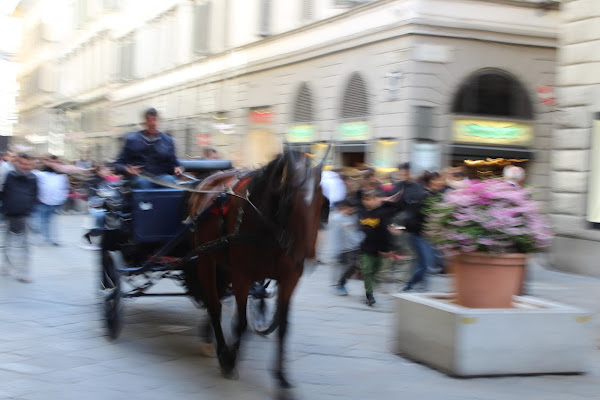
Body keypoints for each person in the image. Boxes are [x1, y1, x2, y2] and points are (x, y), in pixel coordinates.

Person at [114, 108, 184, 189]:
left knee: (170, 180)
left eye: (155, 120)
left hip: (162, 176)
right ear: (143, 123)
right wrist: (127, 169)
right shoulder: (132, 140)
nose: (153, 123)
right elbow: (118, 164)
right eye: (149, 120)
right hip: (140, 177)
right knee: (143, 183)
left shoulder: (168, 141)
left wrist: (177, 168)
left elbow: (174, 163)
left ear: (159, 122)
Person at [402, 171, 446, 292]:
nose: (440, 182)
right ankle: (410, 286)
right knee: (426, 265)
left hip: (430, 236)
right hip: (419, 235)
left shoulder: (437, 196)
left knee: (423, 264)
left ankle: (415, 287)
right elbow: (415, 215)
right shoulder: (422, 195)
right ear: (430, 181)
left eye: (440, 180)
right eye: (437, 180)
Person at [357, 190, 402, 306]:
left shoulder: (382, 212)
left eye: (371, 199)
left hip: (380, 249)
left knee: (376, 271)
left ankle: (370, 287)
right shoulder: (361, 212)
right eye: (365, 199)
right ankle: (369, 295)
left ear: (378, 199)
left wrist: (388, 248)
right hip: (365, 248)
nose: (367, 202)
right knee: (367, 270)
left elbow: (386, 232)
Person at [1, 153, 38, 282]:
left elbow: (35, 194)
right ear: (16, 163)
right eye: (22, 163)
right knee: (8, 244)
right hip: (10, 215)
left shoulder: (33, 178)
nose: (25, 166)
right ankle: (7, 266)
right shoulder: (10, 175)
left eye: (28, 164)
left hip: (25, 215)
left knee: (25, 245)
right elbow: (4, 193)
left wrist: (28, 208)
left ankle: (23, 272)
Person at [32, 157, 70, 246]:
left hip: (52, 202)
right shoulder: (41, 174)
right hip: (44, 202)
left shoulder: (60, 177)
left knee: (47, 221)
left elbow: (64, 188)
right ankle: (46, 239)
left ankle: (50, 239)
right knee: (44, 220)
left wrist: (62, 198)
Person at [330, 199, 365, 296]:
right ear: (345, 208)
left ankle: (342, 283)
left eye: (354, 209)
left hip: (356, 245)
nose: (353, 210)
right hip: (344, 248)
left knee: (354, 267)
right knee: (350, 266)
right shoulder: (337, 218)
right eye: (351, 209)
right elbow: (334, 236)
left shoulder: (356, 216)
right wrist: (335, 251)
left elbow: (359, 230)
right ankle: (340, 284)